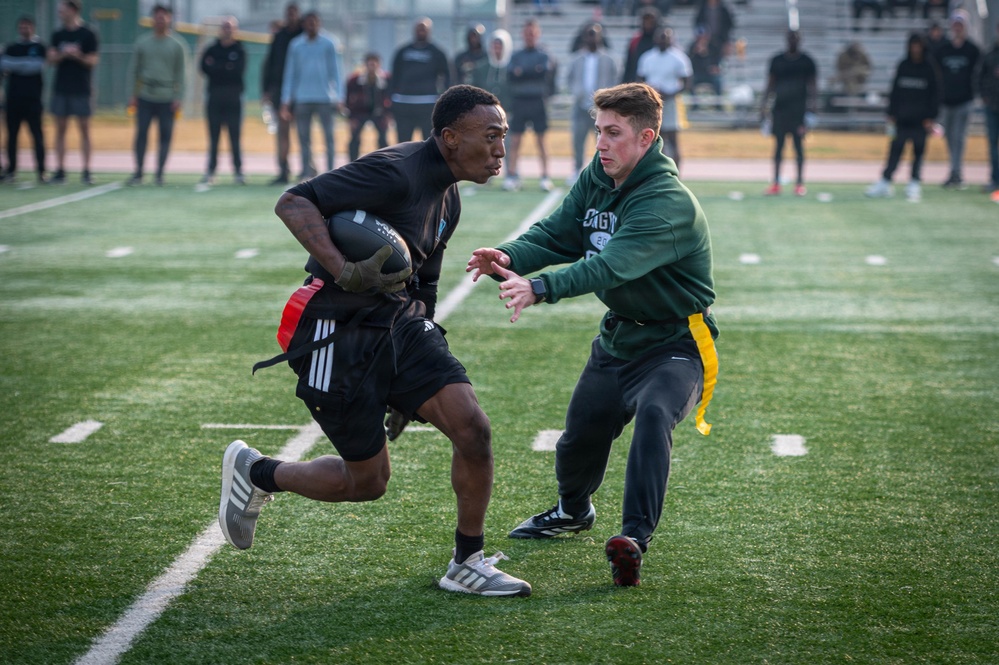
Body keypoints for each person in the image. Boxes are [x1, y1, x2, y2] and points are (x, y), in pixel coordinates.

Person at [218, 84, 532, 598]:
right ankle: (259, 472)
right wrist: (343, 269)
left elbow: (424, 282)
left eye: (504, 136)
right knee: (367, 484)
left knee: (473, 429)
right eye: (491, 136)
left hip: (401, 325)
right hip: (334, 331)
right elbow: (294, 201)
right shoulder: (395, 170)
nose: (501, 149)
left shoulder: (449, 198)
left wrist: (410, 382)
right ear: (451, 138)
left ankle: (467, 561)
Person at [466, 82, 718, 588]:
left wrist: (540, 287)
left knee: (653, 417)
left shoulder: (666, 202)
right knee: (578, 440)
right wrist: (510, 257)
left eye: (613, 133)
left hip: (675, 345)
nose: (600, 143)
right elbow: (558, 232)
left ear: (646, 137)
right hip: (618, 338)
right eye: (598, 131)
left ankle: (633, 540)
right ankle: (573, 510)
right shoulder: (597, 177)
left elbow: (609, 267)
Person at [865, 32, 941, 203]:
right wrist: (891, 113)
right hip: (902, 118)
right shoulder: (903, 65)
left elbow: (935, 94)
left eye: (918, 45)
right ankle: (885, 181)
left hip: (921, 120)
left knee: (918, 151)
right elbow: (895, 91)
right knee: (895, 149)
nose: (915, 49)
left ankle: (914, 183)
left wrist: (931, 117)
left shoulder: (929, 68)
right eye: (913, 45)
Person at [126, 4, 186, 186]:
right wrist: (132, 94)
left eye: (164, 16)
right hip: (145, 95)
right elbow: (134, 71)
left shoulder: (177, 45)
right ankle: (138, 172)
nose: (160, 20)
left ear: (169, 19)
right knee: (141, 134)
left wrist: (179, 97)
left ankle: (159, 173)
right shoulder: (142, 43)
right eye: (157, 16)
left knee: (165, 137)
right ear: (152, 19)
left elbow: (181, 74)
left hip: (167, 97)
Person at [280, 11, 343, 180]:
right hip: (302, 98)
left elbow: (336, 72)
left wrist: (339, 97)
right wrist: (286, 100)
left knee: (329, 137)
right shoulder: (296, 45)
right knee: (303, 138)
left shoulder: (329, 43)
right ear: (304, 24)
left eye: (314, 22)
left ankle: (331, 172)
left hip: (325, 98)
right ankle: (307, 172)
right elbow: (290, 73)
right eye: (308, 22)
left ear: (319, 23)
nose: (312, 25)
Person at [48, 0, 99, 185]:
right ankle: (60, 170)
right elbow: (50, 58)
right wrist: (64, 54)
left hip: (82, 89)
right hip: (61, 88)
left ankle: (86, 171)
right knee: (60, 130)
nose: (60, 11)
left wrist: (77, 55)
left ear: (73, 10)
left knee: (84, 130)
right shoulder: (58, 34)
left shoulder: (88, 33)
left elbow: (93, 60)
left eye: (63, 8)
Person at [760, 30, 817, 197]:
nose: (793, 41)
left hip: (798, 112)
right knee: (778, 146)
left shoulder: (807, 61)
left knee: (798, 147)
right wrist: (764, 106)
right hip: (780, 110)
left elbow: (813, 86)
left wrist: (812, 110)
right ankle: (776, 182)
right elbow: (770, 84)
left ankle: (799, 183)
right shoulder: (777, 60)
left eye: (796, 38)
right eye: (791, 38)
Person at [504, 18, 557, 192]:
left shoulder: (543, 54)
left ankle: (545, 176)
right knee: (515, 140)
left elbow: (543, 73)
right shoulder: (516, 55)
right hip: (520, 100)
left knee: (541, 140)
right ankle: (512, 176)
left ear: (537, 34)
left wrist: (524, 72)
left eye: (532, 33)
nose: (530, 36)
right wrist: (531, 71)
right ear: (523, 35)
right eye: (527, 33)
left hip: (537, 100)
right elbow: (512, 74)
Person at [567, 23, 618, 186]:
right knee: (578, 139)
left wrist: (607, 98)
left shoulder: (609, 59)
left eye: (594, 34)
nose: (592, 38)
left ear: (600, 36)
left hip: (602, 108)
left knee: (605, 141)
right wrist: (577, 93)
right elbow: (569, 79)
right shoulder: (577, 59)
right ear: (584, 37)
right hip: (581, 106)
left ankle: (604, 172)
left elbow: (615, 80)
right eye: (589, 34)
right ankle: (577, 169)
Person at [637, 26, 692, 171]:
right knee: (653, 139)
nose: (663, 40)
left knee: (672, 139)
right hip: (651, 103)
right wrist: (650, 91)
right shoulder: (648, 57)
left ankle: (676, 174)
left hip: (671, 102)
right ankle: (656, 172)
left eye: (666, 37)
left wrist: (670, 92)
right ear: (655, 39)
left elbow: (686, 82)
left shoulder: (678, 57)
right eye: (661, 37)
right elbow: (640, 79)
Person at [199, 16, 246, 185]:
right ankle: (211, 171)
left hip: (233, 99)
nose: (227, 30)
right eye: (225, 27)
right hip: (215, 98)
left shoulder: (240, 49)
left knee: (235, 137)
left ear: (235, 30)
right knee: (214, 137)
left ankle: (238, 172)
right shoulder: (212, 49)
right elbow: (204, 68)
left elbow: (237, 71)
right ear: (221, 29)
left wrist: (217, 67)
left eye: (230, 27)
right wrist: (226, 66)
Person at [937, 10, 980, 190]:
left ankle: (956, 173)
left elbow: (977, 74)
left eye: (960, 24)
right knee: (948, 137)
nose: (957, 28)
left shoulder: (972, 49)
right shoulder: (944, 49)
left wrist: (975, 94)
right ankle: (954, 171)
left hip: (964, 100)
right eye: (955, 24)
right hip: (946, 101)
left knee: (958, 138)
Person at [389, 18, 452, 143]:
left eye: (424, 29)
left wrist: (444, 98)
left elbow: (448, 76)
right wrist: (392, 98)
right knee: (403, 145)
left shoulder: (437, 52)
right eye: (419, 28)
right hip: (404, 105)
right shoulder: (403, 52)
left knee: (430, 144)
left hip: (428, 105)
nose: (421, 31)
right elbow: (394, 76)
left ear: (429, 31)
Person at [1, 16, 47, 184]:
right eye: (21, 27)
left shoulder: (39, 46)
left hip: (33, 100)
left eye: (27, 26)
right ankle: (11, 170)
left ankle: (41, 171)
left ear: (32, 28)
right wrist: (25, 64)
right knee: (11, 136)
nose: (24, 29)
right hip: (13, 100)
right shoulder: (11, 47)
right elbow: (4, 63)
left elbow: (37, 66)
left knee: (37, 136)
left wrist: (16, 65)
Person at [261, 2, 302, 185]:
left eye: (294, 13)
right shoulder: (279, 37)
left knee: (304, 132)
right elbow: (269, 64)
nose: (291, 16)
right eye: (289, 13)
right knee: (283, 132)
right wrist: (266, 90)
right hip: (279, 89)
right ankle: (283, 170)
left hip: (301, 90)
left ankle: (309, 169)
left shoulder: (304, 35)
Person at [345, 52, 391, 162]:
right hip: (360, 113)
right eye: (369, 64)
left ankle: (384, 162)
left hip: (379, 113)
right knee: (354, 139)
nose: (372, 67)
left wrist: (388, 114)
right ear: (365, 65)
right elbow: (348, 99)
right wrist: (351, 117)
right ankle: (352, 163)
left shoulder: (386, 79)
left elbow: (390, 97)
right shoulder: (355, 80)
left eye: (374, 64)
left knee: (383, 140)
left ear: (379, 65)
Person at [980, 22, 999, 200]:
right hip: (992, 106)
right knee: (993, 145)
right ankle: (995, 179)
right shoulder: (990, 54)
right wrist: (984, 95)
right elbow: (980, 76)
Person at [622, 7, 661, 83]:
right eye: (645, 21)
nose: (648, 25)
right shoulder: (635, 41)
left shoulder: (662, 41)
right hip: (638, 84)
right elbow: (629, 66)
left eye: (651, 22)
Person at [693, 0, 735, 65]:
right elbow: (698, 23)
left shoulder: (723, 9)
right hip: (706, 39)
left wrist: (726, 39)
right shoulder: (702, 9)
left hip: (721, 39)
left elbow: (729, 24)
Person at [688, 28, 723, 104]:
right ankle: (695, 105)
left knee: (718, 81)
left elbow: (717, 62)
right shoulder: (692, 47)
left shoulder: (713, 47)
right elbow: (688, 63)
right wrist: (696, 53)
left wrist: (705, 54)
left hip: (710, 74)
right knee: (691, 81)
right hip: (697, 74)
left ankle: (718, 105)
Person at [454, 23, 488, 87]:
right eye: (471, 37)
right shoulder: (460, 58)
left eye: (476, 37)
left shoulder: (487, 57)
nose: (473, 40)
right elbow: (455, 77)